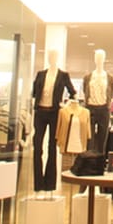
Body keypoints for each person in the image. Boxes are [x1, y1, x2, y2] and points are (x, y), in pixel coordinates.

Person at [31, 49, 75, 198]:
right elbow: (34, 92)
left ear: (57, 58)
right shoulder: (41, 74)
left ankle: (50, 185)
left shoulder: (63, 75)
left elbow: (73, 92)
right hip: (40, 112)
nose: (52, 58)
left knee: (52, 147)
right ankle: (38, 184)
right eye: (50, 56)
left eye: (54, 56)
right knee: (37, 147)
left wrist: (65, 105)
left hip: (54, 113)